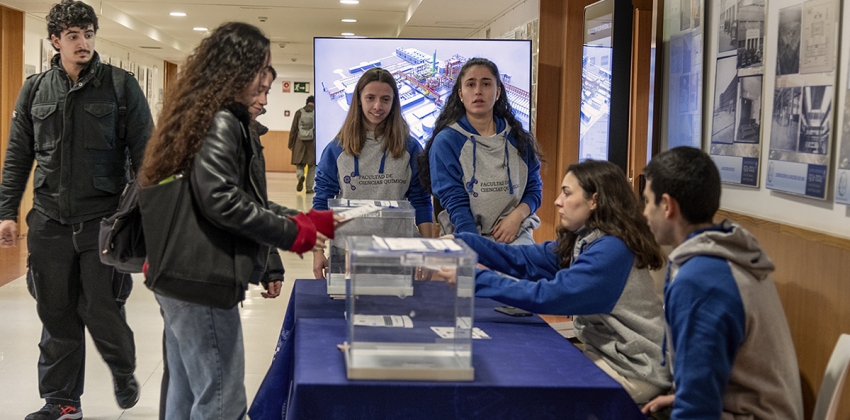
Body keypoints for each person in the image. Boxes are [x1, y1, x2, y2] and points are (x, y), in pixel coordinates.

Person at [138, 23, 334, 419]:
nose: (263, 88)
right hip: (202, 280)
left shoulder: (196, 114)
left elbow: (237, 197)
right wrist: (296, 232)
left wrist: (305, 220)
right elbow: (222, 201)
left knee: (185, 391)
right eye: (259, 75)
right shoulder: (222, 121)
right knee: (222, 399)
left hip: (177, 274)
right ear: (235, 70)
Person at [0, 1, 153, 418]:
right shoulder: (34, 89)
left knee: (101, 307)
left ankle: (123, 371)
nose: (83, 42)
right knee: (56, 313)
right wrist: (6, 211)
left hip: (103, 221)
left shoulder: (121, 87)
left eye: (88, 33)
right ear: (55, 40)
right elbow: (18, 156)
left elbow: (148, 159)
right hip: (49, 220)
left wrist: (149, 218)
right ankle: (62, 401)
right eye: (73, 35)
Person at [444, 160, 671, 404]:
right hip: (609, 355)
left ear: (593, 201)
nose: (557, 201)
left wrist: (473, 278)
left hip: (636, 370)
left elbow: (552, 296)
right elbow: (525, 260)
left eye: (567, 193)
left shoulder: (612, 249)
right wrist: (462, 242)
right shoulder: (584, 239)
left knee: (540, 396)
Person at [640, 147, 803, 419]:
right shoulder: (724, 254)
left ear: (667, 205)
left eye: (647, 201)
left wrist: (687, 399)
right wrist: (683, 395)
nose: (644, 212)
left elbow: (698, 411)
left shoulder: (700, 281)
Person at [312, 67, 435, 279]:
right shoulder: (337, 148)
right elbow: (322, 200)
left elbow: (421, 201)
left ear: (394, 103)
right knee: (347, 312)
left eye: (385, 99)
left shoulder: (410, 147)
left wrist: (427, 252)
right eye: (370, 98)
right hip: (347, 253)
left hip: (398, 251)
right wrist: (317, 251)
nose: (378, 106)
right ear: (359, 99)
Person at [419, 57, 543, 245]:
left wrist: (518, 216)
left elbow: (534, 189)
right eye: (471, 84)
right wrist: (480, 250)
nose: (478, 91)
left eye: (486, 84)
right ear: (460, 94)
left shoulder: (518, 138)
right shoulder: (447, 142)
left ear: (498, 92)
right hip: (466, 236)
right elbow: (456, 205)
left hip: (514, 231)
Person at [289, 95, 317, 193]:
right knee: (312, 167)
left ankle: (300, 177)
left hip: (299, 142)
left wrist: (290, 144)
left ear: (307, 102)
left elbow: (293, 129)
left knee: (299, 164)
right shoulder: (317, 113)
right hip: (312, 143)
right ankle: (309, 188)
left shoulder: (299, 112)